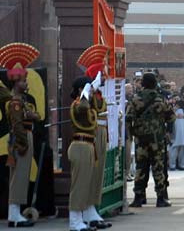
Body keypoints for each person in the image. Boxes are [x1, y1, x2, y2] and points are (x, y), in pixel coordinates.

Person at [0, 43, 40, 228]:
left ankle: (14, 214)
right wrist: (23, 143)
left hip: (23, 138)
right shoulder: (15, 103)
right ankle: (14, 215)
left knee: (21, 176)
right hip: (20, 139)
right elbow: (17, 125)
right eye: (23, 80)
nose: (26, 83)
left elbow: (35, 116)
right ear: (16, 84)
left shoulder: (20, 102)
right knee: (18, 177)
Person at [76, 44, 112, 229]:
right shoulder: (87, 96)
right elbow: (84, 108)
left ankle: (91, 210)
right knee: (89, 175)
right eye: (102, 74)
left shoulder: (98, 95)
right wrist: (90, 88)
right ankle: (84, 212)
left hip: (101, 133)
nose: (105, 77)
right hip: (94, 133)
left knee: (97, 176)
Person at [126, 72, 175, 208]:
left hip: (141, 139)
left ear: (142, 84)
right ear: (155, 83)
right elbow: (171, 117)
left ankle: (139, 197)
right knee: (158, 166)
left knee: (141, 167)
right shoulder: (160, 99)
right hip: (157, 139)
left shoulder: (135, 99)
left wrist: (131, 135)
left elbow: (128, 118)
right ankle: (161, 197)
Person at [67, 78, 98, 231]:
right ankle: (74, 221)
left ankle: (81, 219)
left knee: (85, 185)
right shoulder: (78, 104)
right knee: (79, 185)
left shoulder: (87, 104)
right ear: (82, 90)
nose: (92, 91)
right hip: (80, 145)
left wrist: (94, 87)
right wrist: (85, 91)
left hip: (88, 145)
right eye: (89, 88)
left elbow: (97, 105)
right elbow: (84, 107)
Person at [169, 99, 184, 171]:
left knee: (178, 148)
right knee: (176, 148)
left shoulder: (183, 113)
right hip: (177, 134)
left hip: (181, 134)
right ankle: (177, 165)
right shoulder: (174, 113)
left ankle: (177, 165)